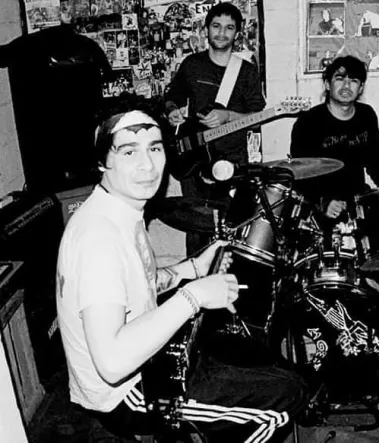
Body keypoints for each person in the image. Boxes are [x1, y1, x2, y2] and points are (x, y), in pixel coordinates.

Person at [56, 97, 307, 442]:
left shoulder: (119, 211)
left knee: (273, 370)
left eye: (155, 148)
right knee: (281, 403)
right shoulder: (99, 238)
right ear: (102, 161)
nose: (147, 165)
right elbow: (112, 363)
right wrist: (194, 295)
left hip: (145, 364)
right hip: (126, 395)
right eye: (128, 151)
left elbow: (140, 284)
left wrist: (192, 268)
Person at [165, 2, 265, 255]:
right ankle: (198, 277)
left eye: (229, 28)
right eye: (216, 26)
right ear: (206, 29)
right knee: (197, 232)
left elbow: (257, 118)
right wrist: (172, 111)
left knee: (234, 229)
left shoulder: (247, 72)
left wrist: (228, 116)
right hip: (194, 159)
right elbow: (172, 97)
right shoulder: (192, 65)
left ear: (237, 33)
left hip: (233, 162)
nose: (221, 33)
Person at [290, 55, 379, 230]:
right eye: (339, 79)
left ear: (361, 88)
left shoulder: (366, 115)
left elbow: (377, 165)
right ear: (327, 84)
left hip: (357, 202)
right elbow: (300, 174)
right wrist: (323, 201)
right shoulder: (308, 122)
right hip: (318, 204)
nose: (346, 85)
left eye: (353, 80)